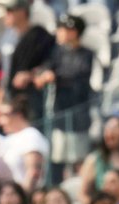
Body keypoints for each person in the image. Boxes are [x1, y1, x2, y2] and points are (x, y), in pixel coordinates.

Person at [34, 14, 94, 179]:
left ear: (74, 32)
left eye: (64, 29)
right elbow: (45, 67)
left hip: (78, 114)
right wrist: (44, 74)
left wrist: (55, 76)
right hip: (60, 113)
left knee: (79, 158)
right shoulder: (58, 52)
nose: (60, 33)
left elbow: (78, 74)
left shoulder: (87, 54)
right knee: (58, 157)